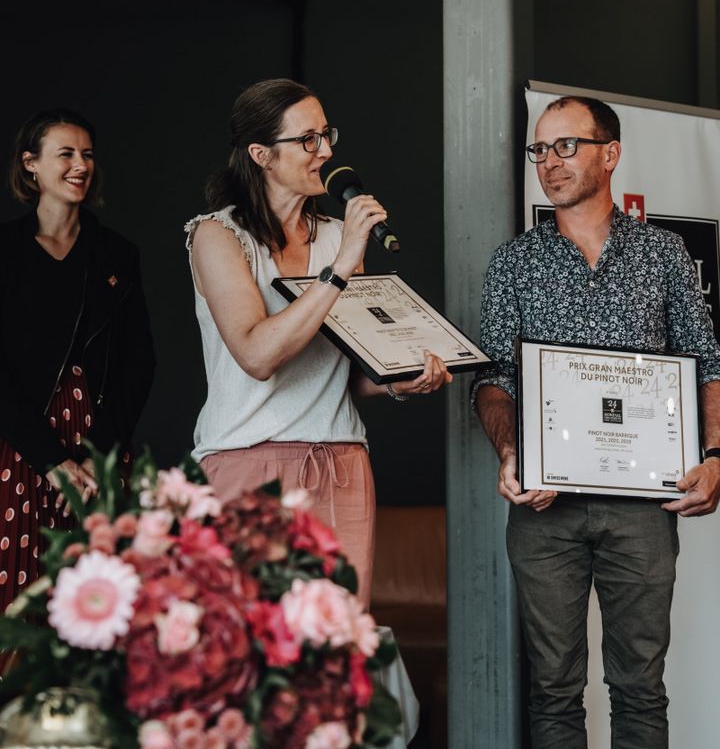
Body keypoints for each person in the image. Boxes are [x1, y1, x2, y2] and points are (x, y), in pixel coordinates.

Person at [473, 95, 720, 749]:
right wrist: (509, 452)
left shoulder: (666, 254)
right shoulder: (514, 262)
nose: (548, 163)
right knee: (552, 688)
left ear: (610, 154)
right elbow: (492, 380)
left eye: (565, 146)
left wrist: (717, 454)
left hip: (643, 507)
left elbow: (705, 363)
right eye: (539, 149)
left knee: (641, 685)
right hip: (545, 505)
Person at [185, 79, 450, 607]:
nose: (326, 151)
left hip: (340, 462)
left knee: (336, 653)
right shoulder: (218, 236)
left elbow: (345, 368)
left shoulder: (333, 236)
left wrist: (399, 379)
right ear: (261, 154)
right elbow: (258, 355)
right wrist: (343, 265)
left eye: (326, 134)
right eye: (308, 139)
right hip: (246, 461)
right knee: (250, 655)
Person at [0, 108, 155, 612]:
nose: (80, 164)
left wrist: (94, 459)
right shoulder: (4, 251)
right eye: (64, 153)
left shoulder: (116, 254)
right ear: (31, 165)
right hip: (18, 447)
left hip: (99, 444)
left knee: (99, 600)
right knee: (18, 598)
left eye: (86, 154)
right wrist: (52, 461)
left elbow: (139, 363)